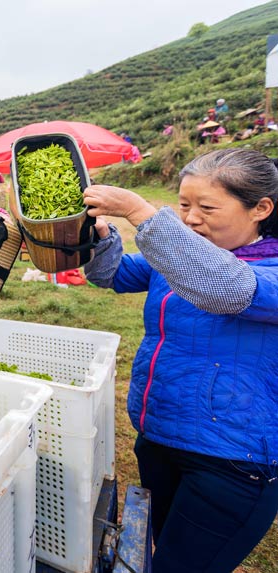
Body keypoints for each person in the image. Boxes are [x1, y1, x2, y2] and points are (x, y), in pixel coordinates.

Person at [82, 148, 278, 572]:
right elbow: (111, 275)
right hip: (160, 438)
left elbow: (227, 288)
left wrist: (138, 210)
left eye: (206, 208)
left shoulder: (268, 270)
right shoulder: (177, 257)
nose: (190, 219)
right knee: (163, 548)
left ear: (261, 208)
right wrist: (101, 238)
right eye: (184, 205)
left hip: (232, 462)